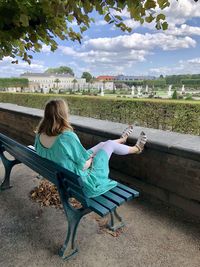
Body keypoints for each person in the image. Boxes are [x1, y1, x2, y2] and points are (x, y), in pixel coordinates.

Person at [34, 99, 147, 198]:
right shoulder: (66, 137)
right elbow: (83, 165)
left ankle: (122, 140)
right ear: (62, 115)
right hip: (84, 181)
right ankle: (137, 149)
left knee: (104, 144)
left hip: (66, 178)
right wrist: (92, 158)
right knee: (109, 145)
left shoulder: (39, 135)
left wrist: (90, 157)